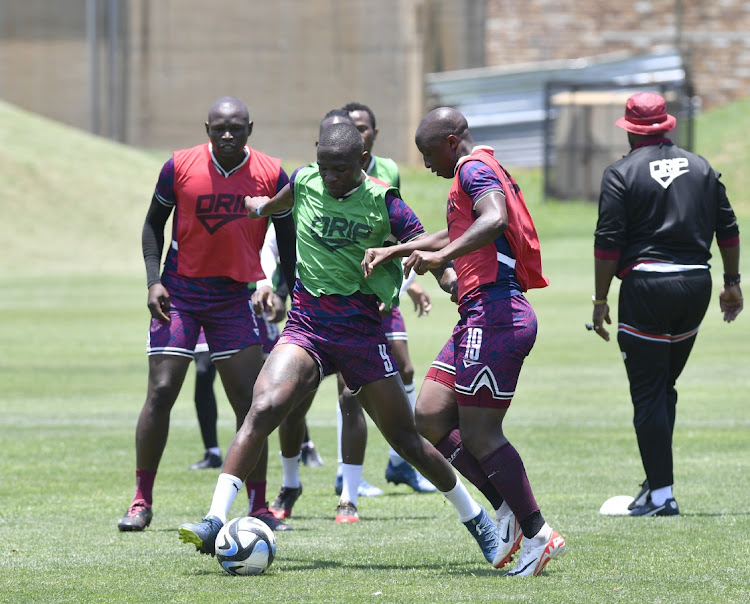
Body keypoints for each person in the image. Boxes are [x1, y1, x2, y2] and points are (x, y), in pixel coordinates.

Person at [178, 122, 501, 566]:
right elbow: (280, 203)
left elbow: (421, 243)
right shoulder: (305, 179)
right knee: (263, 408)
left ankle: (477, 518)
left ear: (362, 163)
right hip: (306, 326)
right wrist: (259, 207)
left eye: (342, 169)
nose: (331, 177)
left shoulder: (382, 199)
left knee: (406, 439)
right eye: (326, 167)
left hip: (361, 334)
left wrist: (447, 276)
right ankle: (215, 518)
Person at [362, 107, 566, 576]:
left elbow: (492, 219)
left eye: (428, 152)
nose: (425, 163)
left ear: (451, 141)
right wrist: (401, 248)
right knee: (430, 414)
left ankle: (537, 533)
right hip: (477, 313)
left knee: (479, 434)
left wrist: (444, 259)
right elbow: (457, 228)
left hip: (496, 312)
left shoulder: (472, 168)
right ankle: (507, 509)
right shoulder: (476, 168)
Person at [117, 96, 296, 533]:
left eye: (236, 128)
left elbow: (288, 235)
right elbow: (151, 225)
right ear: (207, 129)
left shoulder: (273, 173)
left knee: (252, 403)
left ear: (250, 128)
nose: (228, 135)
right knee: (161, 390)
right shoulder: (178, 166)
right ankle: (141, 501)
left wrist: (283, 289)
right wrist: (152, 280)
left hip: (235, 296)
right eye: (219, 128)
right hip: (179, 291)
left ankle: (257, 505)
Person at [591, 92, 742, 517]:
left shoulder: (621, 172)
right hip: (696, 283)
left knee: (649, 392)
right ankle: (655, 484)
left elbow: (608, 242)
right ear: (666, 125)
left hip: (646, 288)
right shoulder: (702, 166)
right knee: (663, 388)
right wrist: (731, 284)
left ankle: (661, 496)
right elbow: (728, 229)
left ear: (631, 129)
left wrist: (601, 299)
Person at [341, 101, 436, 495]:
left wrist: (407, 282)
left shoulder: (389, 172)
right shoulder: (326, 176)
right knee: (350, 389)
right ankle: (346, 478)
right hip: (346, 299)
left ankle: (400, 464)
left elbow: (400, 234)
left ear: (374, 135)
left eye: (363, 127)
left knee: (406, 370)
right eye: (350, 127)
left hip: (385, 291)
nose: (357, 132)